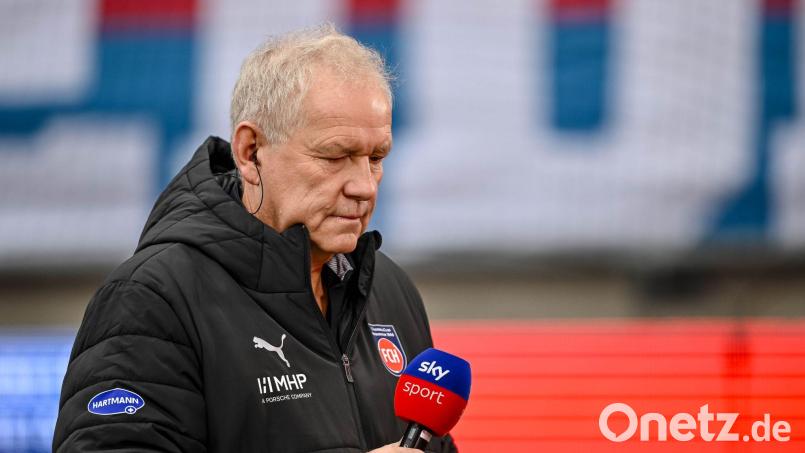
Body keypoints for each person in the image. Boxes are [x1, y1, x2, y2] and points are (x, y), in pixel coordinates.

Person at [53, 24, 457, 453]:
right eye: (335, 156)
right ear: (250, 152)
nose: (365, 186)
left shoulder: (390, 289)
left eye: (376, 158)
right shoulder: (151, 297)